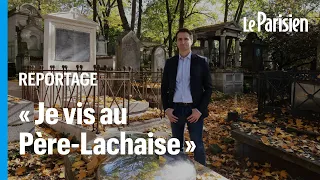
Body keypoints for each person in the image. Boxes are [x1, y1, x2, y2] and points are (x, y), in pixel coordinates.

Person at [161, 28, 213, 166]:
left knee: (197, 144)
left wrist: (199, 110)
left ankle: (201, 172)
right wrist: (167, 109)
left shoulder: (201, 62)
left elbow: (208, 88)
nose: (183, 42)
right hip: (176, 110)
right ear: (177, 42)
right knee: (176, 145)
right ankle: (179, 172)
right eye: (180, 39)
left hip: (194, 110)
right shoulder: (170, 63)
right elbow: (164, 88)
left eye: (186, 39)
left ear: (191, 41)